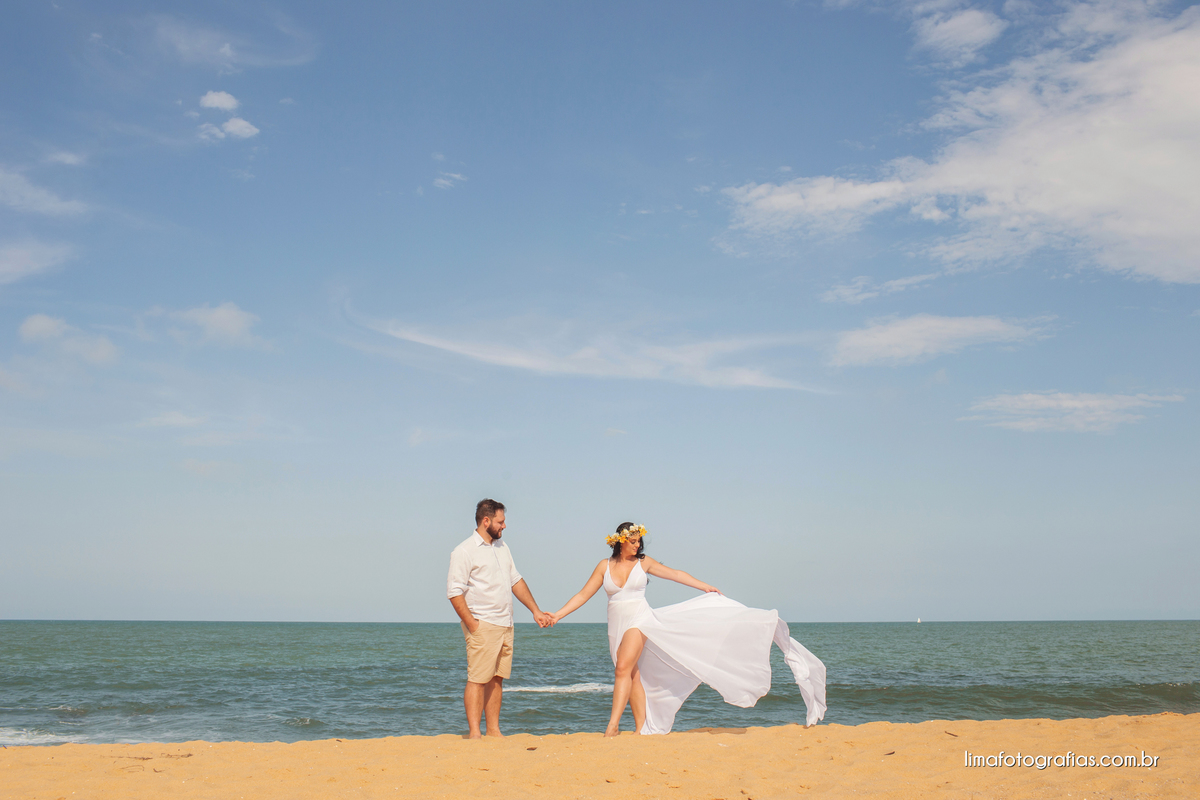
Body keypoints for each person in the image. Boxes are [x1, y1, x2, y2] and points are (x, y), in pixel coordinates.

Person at [549, 522, 826, 736]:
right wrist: (558, 615)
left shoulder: (643, 563)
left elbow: (676, 574)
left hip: (639, 619)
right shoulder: (604, 566)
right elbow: (583, 594)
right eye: (632, 542)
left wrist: (704, 585)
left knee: (622, 668)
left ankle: (611, 726)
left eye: (638, 541)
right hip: (615, 623)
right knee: (631, 674)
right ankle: (641, 729)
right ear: (620, 542)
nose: (637, 545)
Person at [447, 499, 553, 739]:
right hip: (483, 624)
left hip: (506, 624)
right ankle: (475, 733)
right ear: (486, 521)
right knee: (477, 679)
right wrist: (473, 625)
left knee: (497, 678)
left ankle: (493, 731)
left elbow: (515, 580)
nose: (504, 526)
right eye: (500, 521)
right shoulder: (464, 551)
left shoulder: (502, 547)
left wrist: (535, 610)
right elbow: (454, 592)